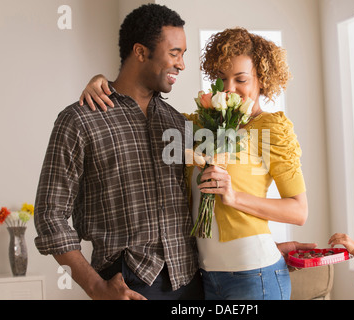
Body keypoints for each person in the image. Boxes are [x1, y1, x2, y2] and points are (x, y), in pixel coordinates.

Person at [80, 27, 312, 300]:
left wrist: (233, 196)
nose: (229, 89)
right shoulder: (198, 125)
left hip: (255, 275)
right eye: (221, 79)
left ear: (262, 79)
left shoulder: (272, 129)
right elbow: (143, 111)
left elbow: (298, 211)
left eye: (241, 79)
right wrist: (102, 83)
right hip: (205, 278)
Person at [34, 4, 204, 300]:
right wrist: (96, 287)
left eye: (183, 55)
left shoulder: (179, 123)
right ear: (140, 52)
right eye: (174, 53)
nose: (181, 64)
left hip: (192, 281)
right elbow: (50, 216)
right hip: (129, 283)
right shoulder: (79, 120)